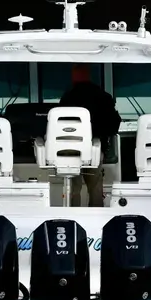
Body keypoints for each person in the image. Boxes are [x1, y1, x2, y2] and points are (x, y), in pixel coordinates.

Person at [59, 63, 122, 207]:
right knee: (94, 186)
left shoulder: (67, 97)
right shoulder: (103, 97)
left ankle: (72, 214)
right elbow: (113, 125)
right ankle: (96, 214)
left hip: (70, 150)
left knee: (73, 187)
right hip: (94, 148)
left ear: (74, 78)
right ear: (89, 76)